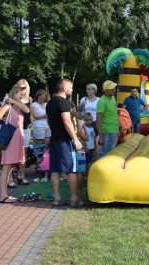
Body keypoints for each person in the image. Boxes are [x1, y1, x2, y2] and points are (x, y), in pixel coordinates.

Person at [46, 78, 83, 207]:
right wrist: (75, 139)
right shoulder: (64, 103)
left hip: (54, 140)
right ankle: (74, 199)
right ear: (64, 88)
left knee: (55, 170)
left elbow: (48, 122)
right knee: (71, 170)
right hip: (65, 141)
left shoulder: (49, 103)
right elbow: (67, 122)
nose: (72, 89)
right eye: (71, 87)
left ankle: (57, 198)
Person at [0, 80, 30, 203]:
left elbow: (27, 110)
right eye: (19, 93)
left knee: (11, 167)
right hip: (11, 140)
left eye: (23, 94)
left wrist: (14, 101)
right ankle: (2, 195)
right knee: (7, 167)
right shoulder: (7, 107)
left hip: (18, 139)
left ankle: (4, 195)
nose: (22, 95)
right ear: (14, 93)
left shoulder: (18, 107)